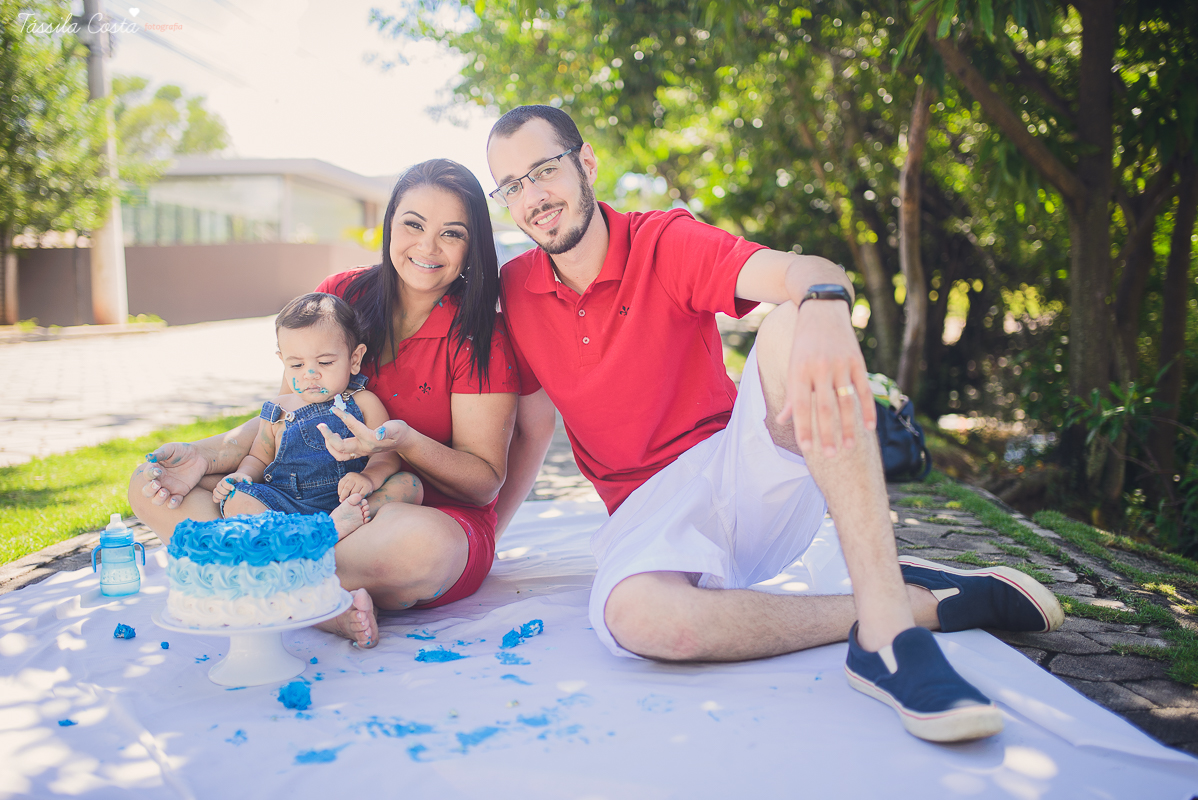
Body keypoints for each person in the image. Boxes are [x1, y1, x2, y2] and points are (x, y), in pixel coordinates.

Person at [483, 106, 1064, 743]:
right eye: (511, 186)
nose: (533, 197)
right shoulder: (514, 292)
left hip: (741, 471)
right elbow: (533, 431)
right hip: (648, 517)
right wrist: (483, 545)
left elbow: (809, 270)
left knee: (797, 316)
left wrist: (821, 305)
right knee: (640, 621)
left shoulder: (662, 241)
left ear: (585, 162)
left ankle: (890, 638)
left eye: (544, 170)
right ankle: (917, 604)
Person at [129, 159, 520, 649]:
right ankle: (317, 605)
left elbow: (483, 484)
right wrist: (202, 457)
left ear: (473, 247)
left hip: (406, 512)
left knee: (423, 548)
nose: (427, 246)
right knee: (150, 483)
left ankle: (258, 583)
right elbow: (284, 418)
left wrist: (404, 443)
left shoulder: (481, 336)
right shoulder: (339, 297)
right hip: (302, 501)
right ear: (389, 224)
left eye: (452, 233)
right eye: (413, 225)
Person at [212, 291, 407, 539]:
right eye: (297, 365)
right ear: (282, 362)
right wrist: (243, 475)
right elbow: (259, 458)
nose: (310, 373)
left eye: (325, 363)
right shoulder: (277, 409)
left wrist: (368, 477)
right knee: (235, 499)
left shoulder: (363, 402)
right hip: (286, 504)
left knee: (409, 484)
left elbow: (388, 453)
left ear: (354, 359)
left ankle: (338, 524)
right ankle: (303, 536)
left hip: (345, 500)